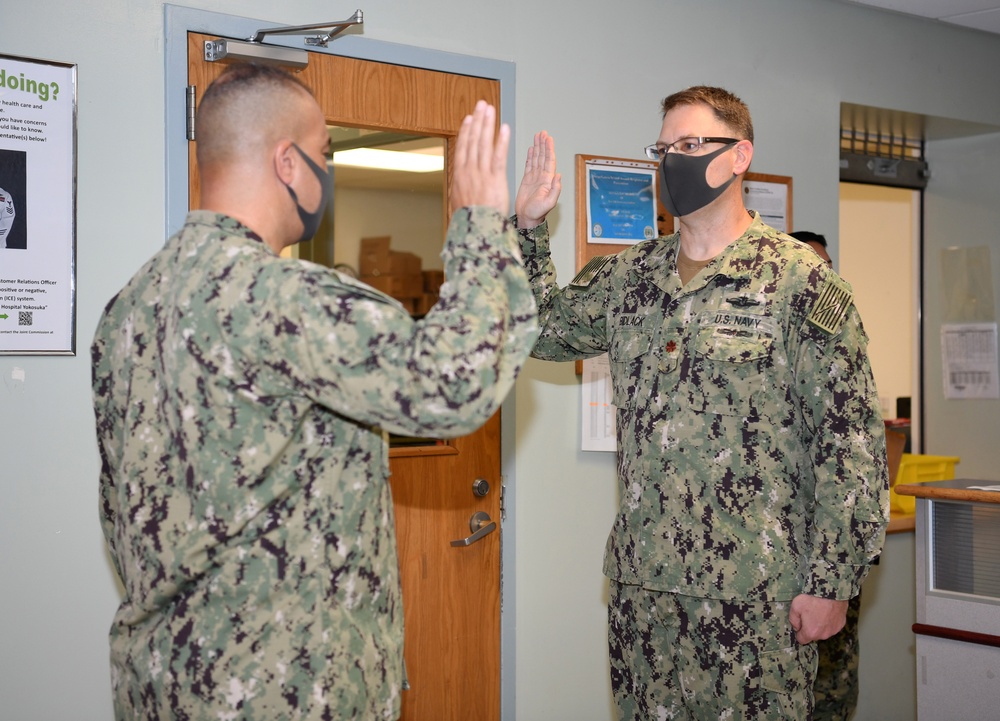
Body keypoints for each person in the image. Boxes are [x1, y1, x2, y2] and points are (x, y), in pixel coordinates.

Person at [91, 63, 539, 721]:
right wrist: (481, 225)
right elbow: (454, 383)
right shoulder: (283, 298)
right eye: (325, 153)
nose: (326, 172)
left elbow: (119, 514)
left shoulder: (128, 309)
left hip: (164, 686)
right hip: (284, 694)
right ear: (288, 163)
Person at [513, 86, 888, 719]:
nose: (671, 162)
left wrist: (833, 584)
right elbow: (540, 329)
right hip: (644, 587)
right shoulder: (631, 276)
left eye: (690, 145)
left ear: (740, 155)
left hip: (755, 597)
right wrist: (527, 231)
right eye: (662, 149)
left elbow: (849, 445)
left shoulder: (801, 282)